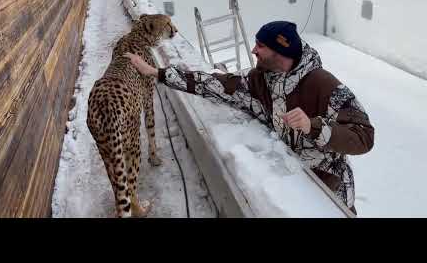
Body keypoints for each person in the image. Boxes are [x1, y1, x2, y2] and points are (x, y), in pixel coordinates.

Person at [124, 21, 374, 215]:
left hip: (330, 189)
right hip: (294, 181)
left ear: (281, 51)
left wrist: (314, 126)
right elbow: (215, 84)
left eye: (261, 46)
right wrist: (157, 73)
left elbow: (364, 135)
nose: (253, 50)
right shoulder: (260, 80)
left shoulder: (322, 84)